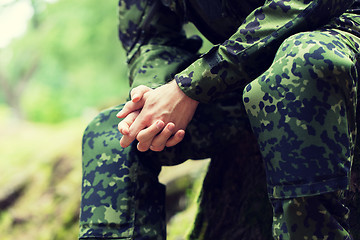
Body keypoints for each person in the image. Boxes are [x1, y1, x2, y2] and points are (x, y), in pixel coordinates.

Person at [79, 0, 360, 239]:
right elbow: (150, 37)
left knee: (300, 65)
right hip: (239, 75)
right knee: (112, 134)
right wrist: (152, 94)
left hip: (336, 40)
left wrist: (191, 85)